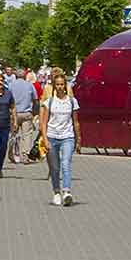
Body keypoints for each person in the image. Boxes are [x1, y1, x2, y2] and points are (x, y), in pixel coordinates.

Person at [41, 73, 81, 206]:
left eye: (62, 84)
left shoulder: (72, 101)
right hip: (52, 137)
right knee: (55, 168)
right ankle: (56, 192)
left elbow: (75, 122)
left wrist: (78, 138)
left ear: (65, 86)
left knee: (66, 163)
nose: (59, 87)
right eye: (57, 84)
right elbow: (44, 123)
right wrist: (45, 139)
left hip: (67, 137)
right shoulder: (49, 102)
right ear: (54, 86)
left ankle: (67, 191)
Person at [9, 71, 38, 164]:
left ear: (15, 76)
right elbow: (35, 99)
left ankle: (12, 154)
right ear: (25, 76)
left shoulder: (11, 85)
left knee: (13, 134)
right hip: (26, 113)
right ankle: (25, 155)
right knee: (27, 135)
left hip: (14, 114)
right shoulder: (29, 85)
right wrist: (34, 112)